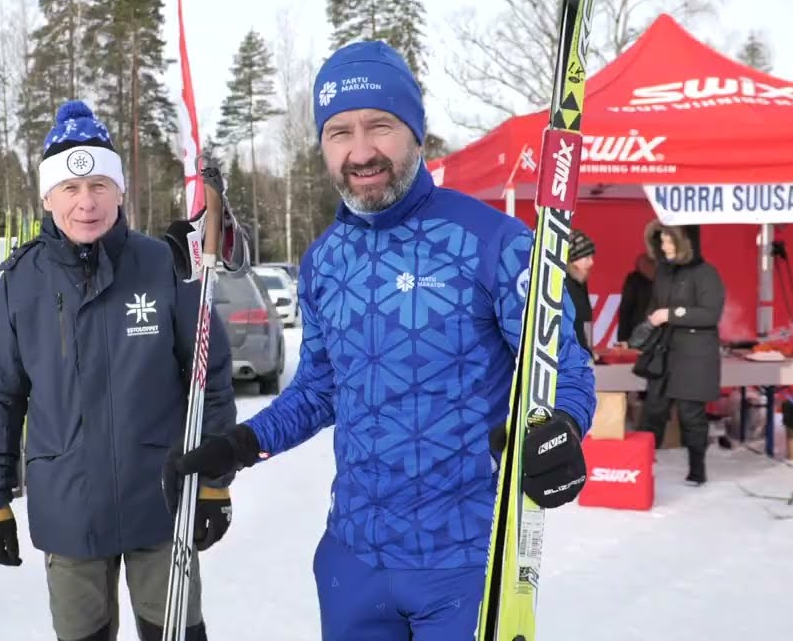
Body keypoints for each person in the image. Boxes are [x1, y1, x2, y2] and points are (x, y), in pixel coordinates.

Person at [161, 40, 596, 640]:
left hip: (466, 562)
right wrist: (238, 445)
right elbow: (320, 390)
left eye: (380, 126)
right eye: (339, 132)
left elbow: (563, 367)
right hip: (354, 561)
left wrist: (563, 428)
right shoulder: (323, 262)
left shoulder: (493, 242)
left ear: (416, 133)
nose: (361, 151)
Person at [0, 100, 237, 641]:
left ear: (120, 190)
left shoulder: (164, 265)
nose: (86, 203)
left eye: (98, 185)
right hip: (68, 507)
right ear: (48, 197)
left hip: (161, 500)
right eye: (70, 190)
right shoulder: (20, 283)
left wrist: (213, 484)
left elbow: (208, 376)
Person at [639, 221, 725, 486]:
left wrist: (672, 314)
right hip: (665, 353)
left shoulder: (706, 273)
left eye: (668, 241)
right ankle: (641, 467)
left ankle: (697, 470)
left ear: (683, 242)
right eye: (661, 241)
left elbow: (711, 313)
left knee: (691, 415)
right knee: (653, 410)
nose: (664, 247)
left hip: (695, 355)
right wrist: (650, 320)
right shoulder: (664, 272)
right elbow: (656, 304)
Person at [566, 229, 596, 357]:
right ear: (573, 259)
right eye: (587, 257)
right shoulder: (564, 286)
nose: (591, 262)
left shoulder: (579, 282)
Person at [616, 252, 656, 346]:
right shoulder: (635, 279)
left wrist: (623, 338)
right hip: (641, 336)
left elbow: (625, 309)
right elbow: (625, 309)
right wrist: (623, 338)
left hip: (641, 336)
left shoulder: (634, 279)